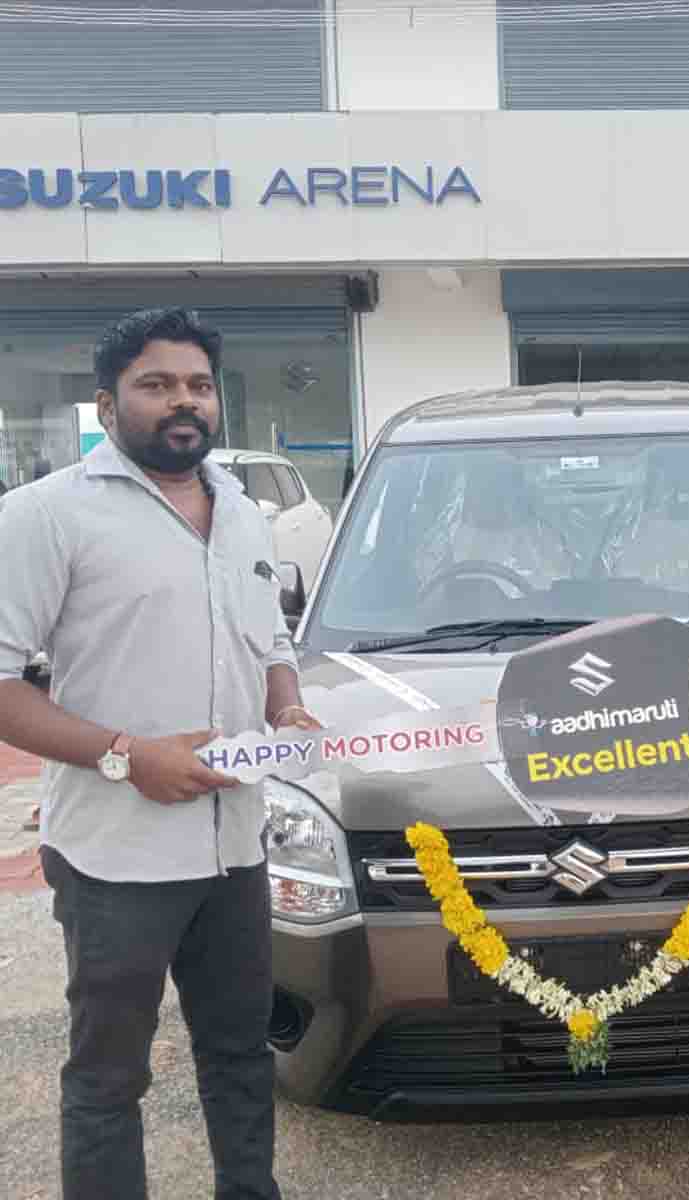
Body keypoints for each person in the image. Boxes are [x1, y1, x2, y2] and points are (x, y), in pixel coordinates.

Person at [0, 307, 320, 1200]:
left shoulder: (245, 515)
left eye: (198, 384)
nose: (183, 401)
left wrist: (287, 705)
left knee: (240, 1052)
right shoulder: (44, 516)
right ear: (108, 405)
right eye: (156, 384)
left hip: (235, 848)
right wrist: (126, 754)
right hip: (117, 858)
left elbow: (271, 643)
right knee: (109, 1075)